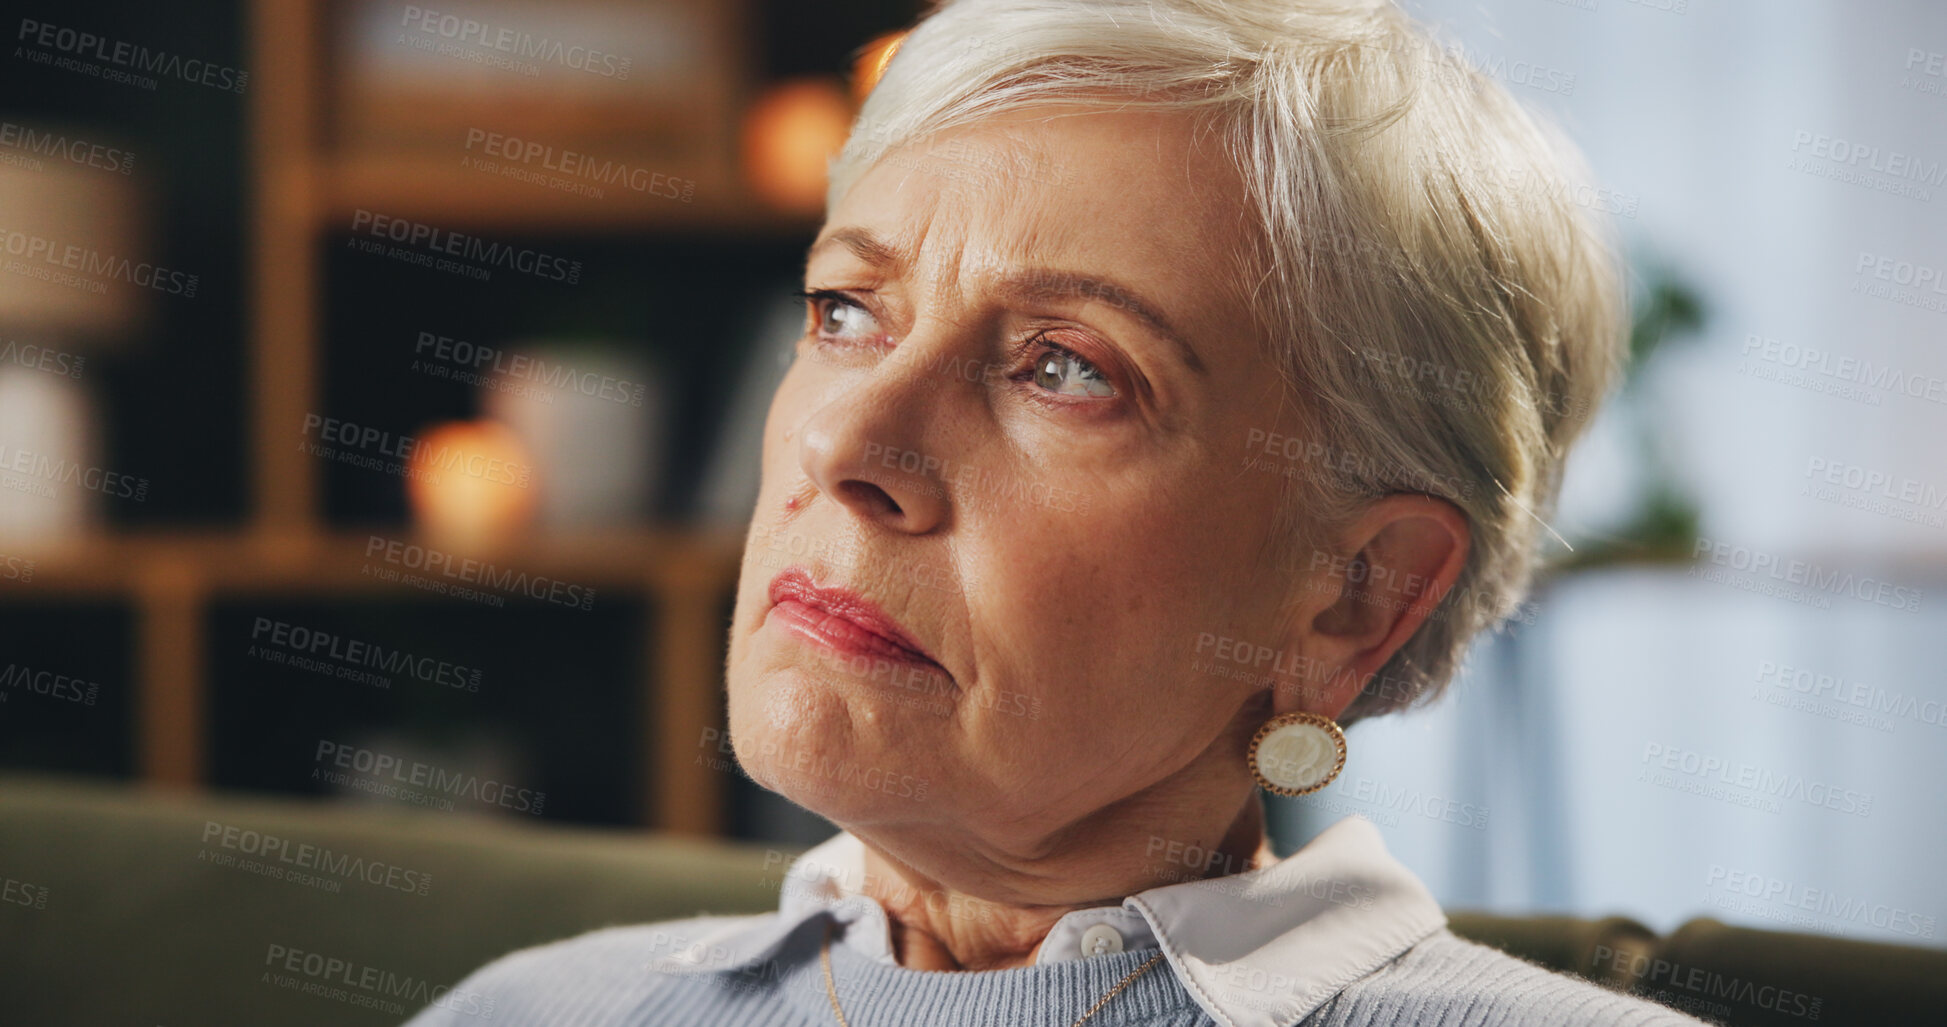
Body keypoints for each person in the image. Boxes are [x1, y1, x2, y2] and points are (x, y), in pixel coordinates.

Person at [408, 0, 1703, 1023]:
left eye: (1067, 368)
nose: (845, 443)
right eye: (845, 312)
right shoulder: (523, 1010)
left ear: (1355, 590)